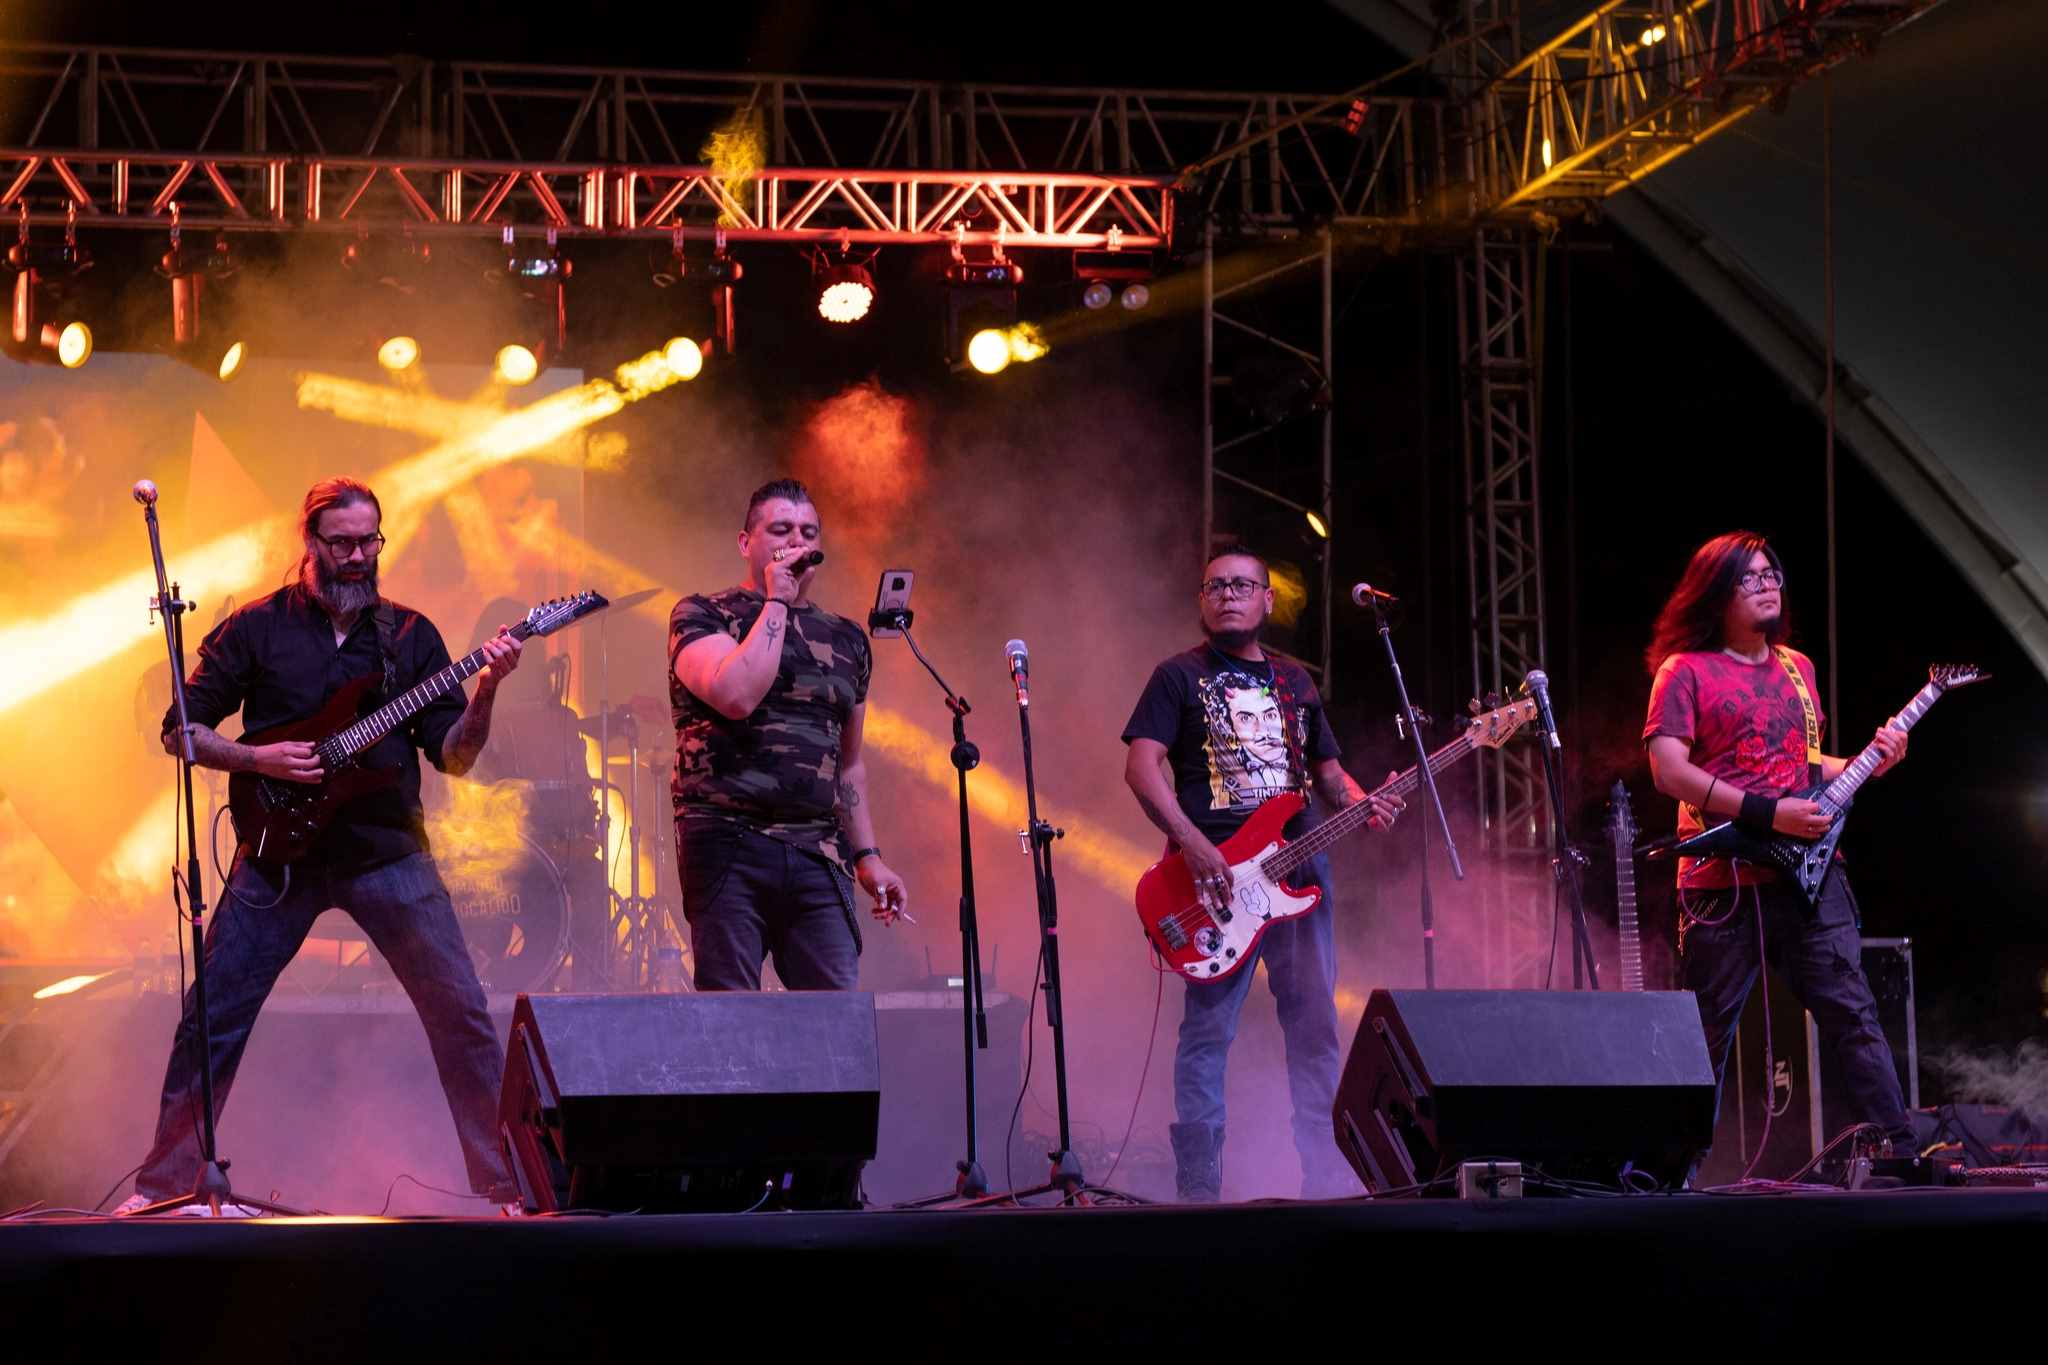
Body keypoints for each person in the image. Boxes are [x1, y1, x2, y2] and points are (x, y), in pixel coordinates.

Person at [116, 476, 524, 1215]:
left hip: (386, 852)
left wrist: (489, 687)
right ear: (310, 541)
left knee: (462, 1011)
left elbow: (456, 756)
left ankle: (511, 1188)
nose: (359, 556)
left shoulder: (410, 636)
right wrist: (257, 759)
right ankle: (163, 1186)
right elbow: (182, 730)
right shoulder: (257, 628)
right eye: (342, 544)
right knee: (213, 1014)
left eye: (370, 542)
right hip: (277, 854)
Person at [1122, 544, 1400, 1201]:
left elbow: (1328, 776)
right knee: (1207, 1034)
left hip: (1300, 874)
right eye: (1215, 586)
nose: (1228, 594)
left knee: (1315, 1031)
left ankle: (1325, 1179)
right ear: (1202, 600)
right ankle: (1199, 1189)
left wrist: (1367, 803)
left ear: (1267, 600)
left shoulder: (1294, 681)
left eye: (1242, 585)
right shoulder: (1176, 676)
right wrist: (1193, 845)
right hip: (1214, 882)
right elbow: (1140, 768)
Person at [1642, 530, 1915, 1169]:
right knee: (1707, 1035)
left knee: (1855, 1015)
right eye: (1750, 577)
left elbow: (1803, 764)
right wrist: (1769, 814)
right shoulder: (1683, 671)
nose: (1767, 586)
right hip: (1721, 884)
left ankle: (1900, 1155)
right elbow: (1668, 771)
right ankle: (1668, 1178)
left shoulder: (1798, 667)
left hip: (1808, 877)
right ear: (1717, 592)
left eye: (1772, 575)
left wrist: (1869, 760)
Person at [668, 478, 908, 991]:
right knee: (733, 1013)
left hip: (818, 850)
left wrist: (868, 858)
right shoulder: (703, 614)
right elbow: (735, 695)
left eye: (808, 532)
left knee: (834, 1015)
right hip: (728, 840)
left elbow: (849, 765)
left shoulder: (847, 639)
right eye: (781, 530)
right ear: (745, 542)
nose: (797, 541)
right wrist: (777, 600)